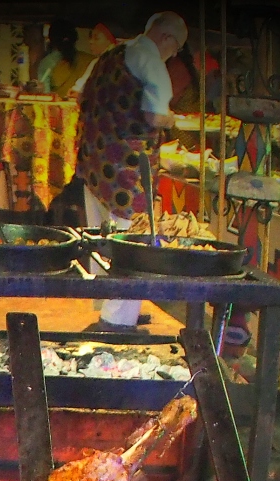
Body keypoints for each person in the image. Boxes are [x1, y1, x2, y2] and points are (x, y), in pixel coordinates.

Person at [76, 10, 187, 329]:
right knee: (131, 241)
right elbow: (154, 116)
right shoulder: (151, 61)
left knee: (100, 235)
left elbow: (80, 95)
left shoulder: (109, 55)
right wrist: (172, 119)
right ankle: (117, 320)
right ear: (167, 37)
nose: (173, 55)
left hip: (95, 161)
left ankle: (106, 303)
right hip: (127, 170)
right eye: (176, 47)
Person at [36, 19, 92, 96]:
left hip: (55, 103)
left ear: (51, 39)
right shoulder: (90, 60)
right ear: (75, 38)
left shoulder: (47, 63)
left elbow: (45, 95)